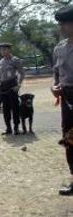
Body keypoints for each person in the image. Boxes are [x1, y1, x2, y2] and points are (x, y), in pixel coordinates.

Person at [52, 5, 73, 196]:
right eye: (61, 24)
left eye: (65, 24)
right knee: (69, 139)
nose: (62, 28)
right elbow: (57, 74)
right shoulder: (59, 48)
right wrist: (55, 87)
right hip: (67, 98)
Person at [0, 42, 25, 135]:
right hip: (3, 86)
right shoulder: (0, 62)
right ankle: (8, 128)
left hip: (12, 85)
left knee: (14, 107)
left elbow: (21, 73)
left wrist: (19, 84)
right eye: (1, 50)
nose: (2, 51)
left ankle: (16, 127)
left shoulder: (15, 60)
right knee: (5, 108)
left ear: (9, 50)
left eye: (4, 49)